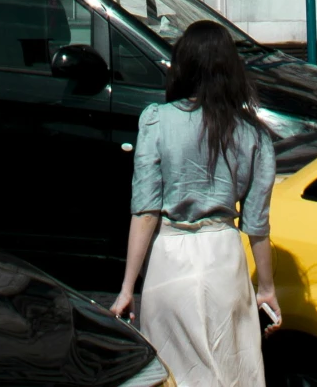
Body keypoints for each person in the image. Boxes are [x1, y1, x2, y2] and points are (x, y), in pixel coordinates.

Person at [111, 20, 278, 387]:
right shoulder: (253, 135)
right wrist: (266, 288)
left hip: (169, 264)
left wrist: (126, 289)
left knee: (171, 375)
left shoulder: (158, 121)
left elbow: (146, 211)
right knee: (230, 372)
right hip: (224, 262)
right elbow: (256, 225)